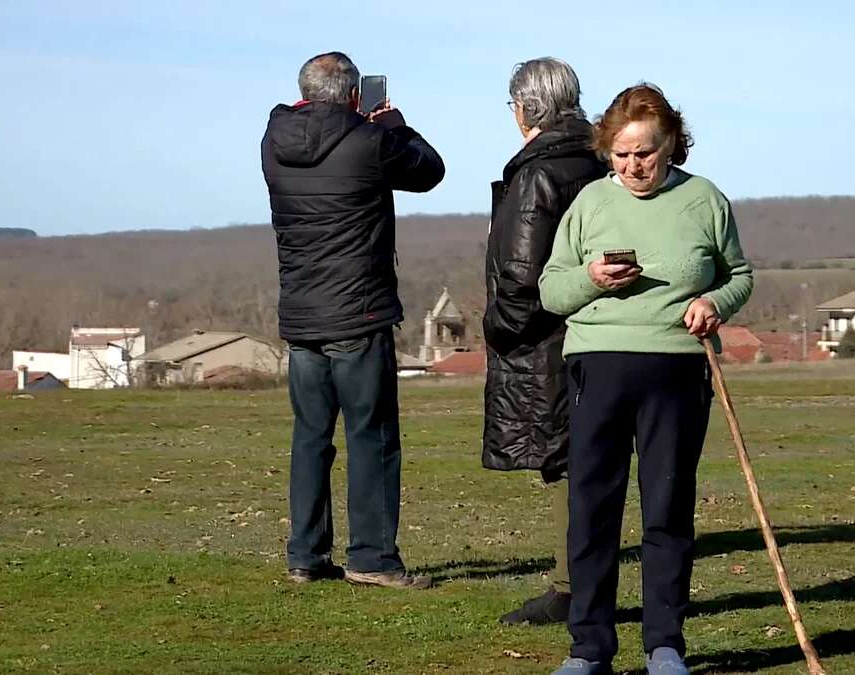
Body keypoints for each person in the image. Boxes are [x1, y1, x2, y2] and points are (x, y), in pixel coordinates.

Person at [539, 84, 754, 675]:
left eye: (646, 153)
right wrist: (590, 278)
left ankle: (664, 644)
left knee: (666, 506)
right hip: (597, 366)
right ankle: (588, 650)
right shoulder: (588, 203)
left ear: (672, 146)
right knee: (592, 509)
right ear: (607, 149)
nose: (634, 166)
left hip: (677, 368)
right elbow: (551, 291)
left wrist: (715, 301)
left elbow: (739, 274)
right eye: (622, 154)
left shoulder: (705, 200)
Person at [260, 52, 445, 590]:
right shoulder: (369, 142)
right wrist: (394, 123)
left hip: (301, 316)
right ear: (352, 93)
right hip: (358, 314)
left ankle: (305, 554)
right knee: (373, 436)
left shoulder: (272, 141)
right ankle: (372, 557)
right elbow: (429, 171)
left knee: (310, 437)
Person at [481, 57, 607, 625]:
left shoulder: (538, 172)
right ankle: (578, 582)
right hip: (603, 327)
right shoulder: (603, 158)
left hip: (550, 338)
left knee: (564, 459)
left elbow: (521, 273)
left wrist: (497, 327)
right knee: (587, 458)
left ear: (525, 110)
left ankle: (570, 587)